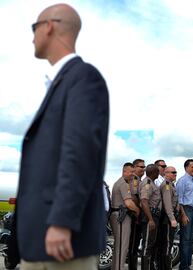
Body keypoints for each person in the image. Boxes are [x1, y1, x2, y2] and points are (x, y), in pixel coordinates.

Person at [15, 3, 109, 269]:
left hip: (62, 243)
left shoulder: (83, 78)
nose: (32, 36)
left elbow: (79, 153)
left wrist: (62, 221)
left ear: (49, 27)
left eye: (34, 28)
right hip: (40, 241)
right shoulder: (61, 83)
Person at [110, 163, 140, 270]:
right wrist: (138, 211)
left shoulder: (122, 182)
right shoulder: (123, 183)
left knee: (119, 247)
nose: (133, 174)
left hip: (118, 215)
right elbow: (129, 204)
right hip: (121, 216)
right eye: (131, 172)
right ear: (124, 171)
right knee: (122, 247)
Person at [176, 159, 193, 270]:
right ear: (186, 168)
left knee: (190, 239)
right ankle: (184, 266)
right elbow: (179, 200)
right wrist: (183, 215)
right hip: (186, 210)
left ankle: (188, 265)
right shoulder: (182, 181)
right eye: (192, 167)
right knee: (185, 240)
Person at [139, 164, 162, 270]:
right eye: (157, 171)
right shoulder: (147, 183)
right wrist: (150, 219)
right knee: (147, 244)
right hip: (150, 216)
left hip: (154, 215)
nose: (158, 173)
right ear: (153, 173)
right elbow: (144, 201)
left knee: (151, 244)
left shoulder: (151, 183)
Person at [157, 166, 180, 270]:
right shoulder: (166, 185)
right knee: (167, 245)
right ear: (166, 173)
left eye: (175, 172)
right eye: (173, 172)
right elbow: (167, 204)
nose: (175, 174)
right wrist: (172, 218)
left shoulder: (171, 185)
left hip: (169, 217)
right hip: (167, 219)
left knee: (167, 244)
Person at [128, 159, 145, 270]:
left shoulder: (139, 180)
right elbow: (134, 197)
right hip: (134, 215)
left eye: (144, 167)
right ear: (134, 167)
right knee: (133, 244)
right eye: (141, 167)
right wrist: (138, 212)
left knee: (135, 242)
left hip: (136, 214)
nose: (143, 169)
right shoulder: (135, 179)